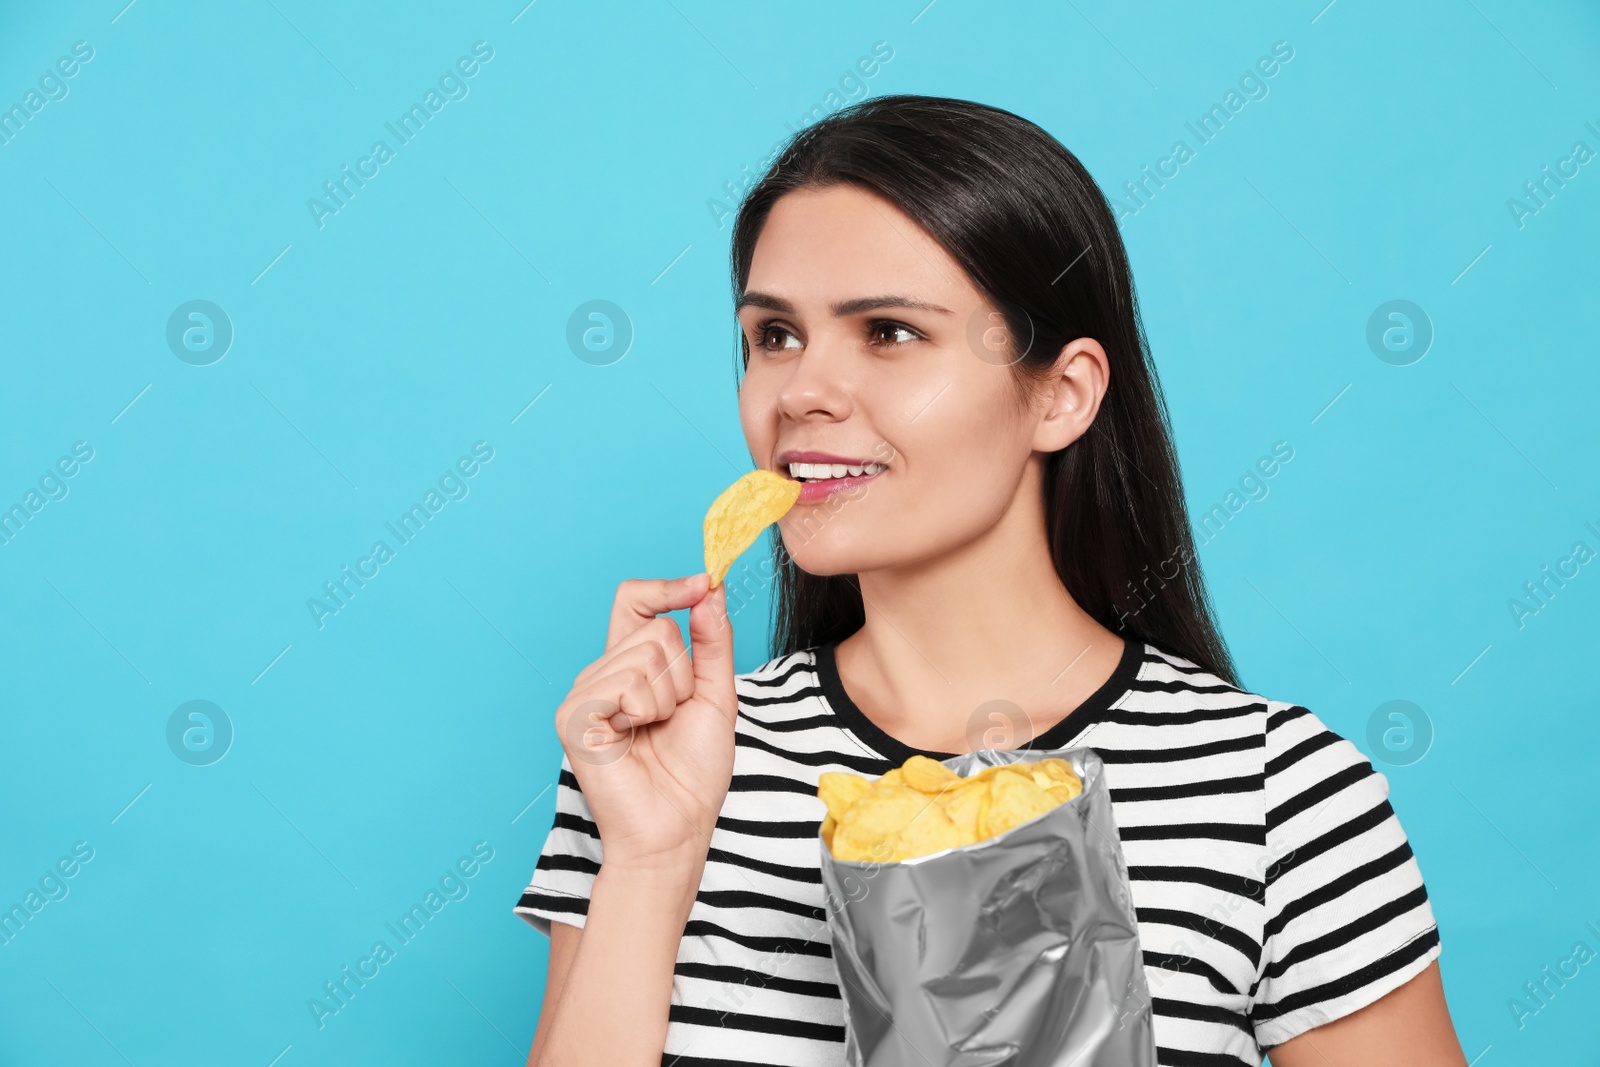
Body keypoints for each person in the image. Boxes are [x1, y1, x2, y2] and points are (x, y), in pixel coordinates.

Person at [516, 95, 1466, 1066]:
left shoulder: (1276, 792)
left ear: (1061, 394)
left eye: (887, 331)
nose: (800, 390)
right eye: (774, 335)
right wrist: (651, 856)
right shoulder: (659, 768)